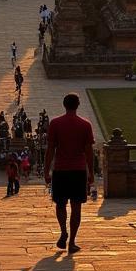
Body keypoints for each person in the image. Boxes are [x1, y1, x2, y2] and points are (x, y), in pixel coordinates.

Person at [44, 92, 95, 254]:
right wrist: (91, 173)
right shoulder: (85, 124)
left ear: (64, 105)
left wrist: (46, 171)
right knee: (76, 206)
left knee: (60, 204)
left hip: (60, 169)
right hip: (78, 170)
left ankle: (63, 231)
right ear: (78, 105)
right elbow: (89, 152)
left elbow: (50, 149)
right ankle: (72, 241)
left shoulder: (55, 123)